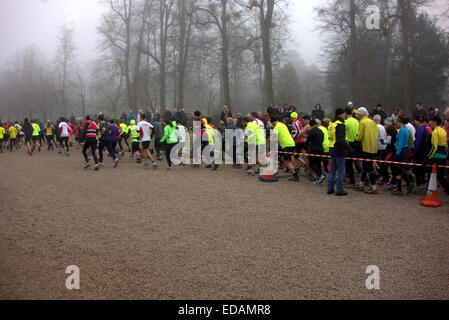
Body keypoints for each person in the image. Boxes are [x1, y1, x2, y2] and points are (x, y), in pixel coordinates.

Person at [354, 107, 379, 194]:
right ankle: (361, 184)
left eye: (358, 113)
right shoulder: (372, 122)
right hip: (374, 147)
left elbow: (360, 136)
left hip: (366, 147)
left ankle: (374, 187)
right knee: (365, 166)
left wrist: (356, 138)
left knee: (369, 167)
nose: (357, 115)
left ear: (361, 114)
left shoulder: (362, 122)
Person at [391, 116, 415, 196]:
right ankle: (409, 182)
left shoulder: (401, 130)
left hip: (400, 151)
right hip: (405, 150)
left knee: (397, 170)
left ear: (399, 122)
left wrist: (397, 154)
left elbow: (400, 143)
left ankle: (400, 189)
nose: (395, 124)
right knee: (402, 169)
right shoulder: (407, 130)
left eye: (396, 122)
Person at [327, 108, 349, 196]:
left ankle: (330, 188)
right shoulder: (340, 125)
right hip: (339, 149)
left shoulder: (332, 124)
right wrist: (348, 148)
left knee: (332, 169)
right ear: (340, 114)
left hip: (332, 148)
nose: (345, 115)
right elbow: (341, 139)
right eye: (344, 114)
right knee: (341, 170)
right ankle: (339, 189)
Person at [271, 116, 299, 182]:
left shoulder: (277, 126)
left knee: (286, 160)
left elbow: (274, 136)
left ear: (273, 122)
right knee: (288, 158)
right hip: (291, 143)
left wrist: (269, 139)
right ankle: (295, 169)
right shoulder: (282, 124)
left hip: (286, 145)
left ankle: (295, 174)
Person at [427, 116, 449, 195]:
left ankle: (428, 194)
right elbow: (446, 145)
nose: (429, 123)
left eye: (431, 121)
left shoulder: (435, 132)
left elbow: (434, 147)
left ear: (435, 122)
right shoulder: (443, 131)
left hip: (436, 157)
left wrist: (429, 157)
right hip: (443, 156)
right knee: (441, 177)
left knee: (430, 175)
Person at [412, 116, 430, 192]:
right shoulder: (425, 129)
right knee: (421, 169)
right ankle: (422, 184)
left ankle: (419, 186)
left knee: (417, 170)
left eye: (415, 121)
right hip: (424, 151)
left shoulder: (420, 129)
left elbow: (418, 142)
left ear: (417, 121)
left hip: (419, 152)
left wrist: (414, 153)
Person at [305, 119, 325, 185]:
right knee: (318, 164)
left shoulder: (311, 131)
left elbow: (308, 140)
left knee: (311, 163)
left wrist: (306, 148)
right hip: (321, 148)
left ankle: (320, 175)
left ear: (310, 125)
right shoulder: (320, 131)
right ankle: (319, 180)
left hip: (314, 149)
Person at [344, 107, 360, 187]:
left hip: (349, 143)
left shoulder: (345, 122)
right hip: (357, 142)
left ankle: (352, 180)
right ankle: (365, 178)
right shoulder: (356, 121)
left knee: (349, 163)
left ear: (345, 114)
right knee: (358, 161)